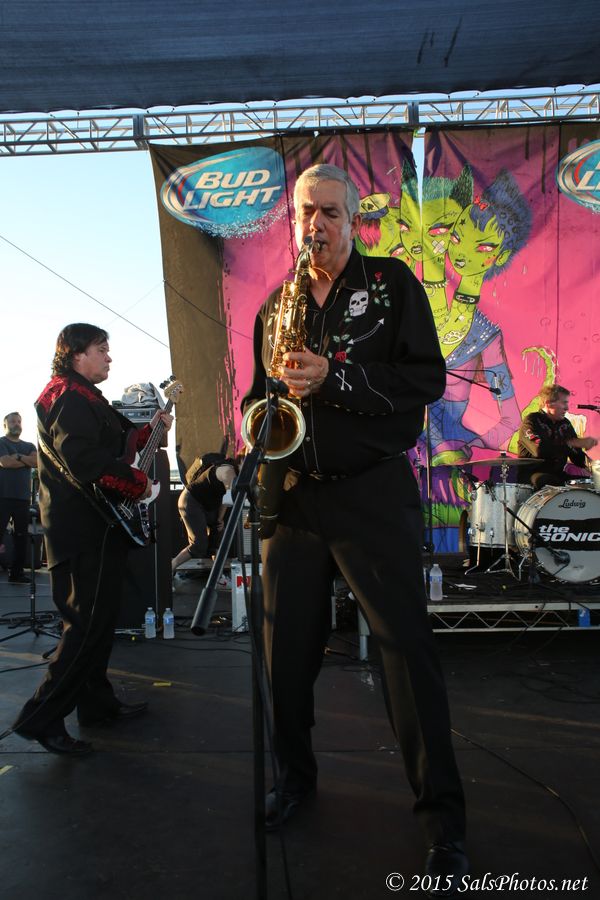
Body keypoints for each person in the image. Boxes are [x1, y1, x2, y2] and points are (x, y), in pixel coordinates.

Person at [243, 164, 468, 897]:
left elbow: (425, 380)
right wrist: (257, 417)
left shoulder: (393, 285)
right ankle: (294, 779)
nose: (317, 224)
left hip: (372, 493)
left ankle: (443, 823)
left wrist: (333, 378)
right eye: (307, 212)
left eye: (330, 213)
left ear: (353, 219)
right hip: (295, 500)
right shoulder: (274, 305)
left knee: (406, 654)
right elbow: (255, 398)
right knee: (283, 656)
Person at [12, 323, 172, 756]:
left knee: (99, 623)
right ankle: (41, 718)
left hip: (96, 525)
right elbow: (85, 459)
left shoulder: (83, 395)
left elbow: (119, 443)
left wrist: (151, 431)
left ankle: (97, 704)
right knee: (85, 626)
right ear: (76, 353)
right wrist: (137, 483)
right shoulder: (68, 396)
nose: (109, 357)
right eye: (102, 349)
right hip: (82, 529)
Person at [518, 384, 598, 489]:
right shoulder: (532, 421)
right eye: (564, 403)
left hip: (558, 475)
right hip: (533, 476)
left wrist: (594, 466)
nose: (567, 408)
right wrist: (572, 443)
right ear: (548, 403)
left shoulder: (565, 424)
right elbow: (539, 450)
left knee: (592, 484)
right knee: (546, 480)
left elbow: (577, 459)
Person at [171, 455, 237, 574]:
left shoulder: (233, 472)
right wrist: (220, 519)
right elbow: (227, 500)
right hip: (191, 501)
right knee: (199, 545)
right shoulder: (229, 472)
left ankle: (218, 575)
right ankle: (172, 565)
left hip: (205, 504)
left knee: (217, 534)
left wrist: (218, 522)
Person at [0, 412, 38, 583]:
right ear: (5, 425)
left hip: (22, 498)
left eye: (19, 421)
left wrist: (18, 456)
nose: (16, 424)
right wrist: (25, 460)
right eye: (12, 421)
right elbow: (5, 463)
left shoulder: (29, 445)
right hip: (3, 496)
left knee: (21, 537)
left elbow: (36, 463)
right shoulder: (1, 442)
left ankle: (16, 574)